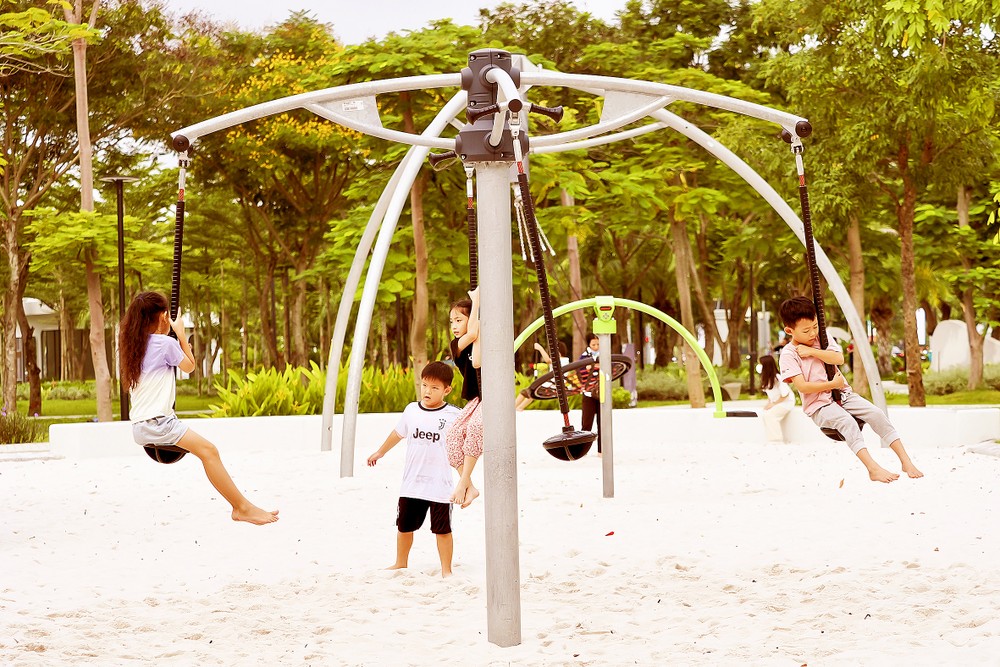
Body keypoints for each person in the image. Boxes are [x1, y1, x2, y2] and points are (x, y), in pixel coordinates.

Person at [119, 292, 278, 524]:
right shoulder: (166, 343)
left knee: (207, 451)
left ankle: (243, 507)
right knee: (209, 452)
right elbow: (190, 366)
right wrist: (181, 335)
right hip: (159, 424)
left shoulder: (134, 346)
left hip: (141, 427)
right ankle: (241, 508)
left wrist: (177, 340)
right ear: (164, 317)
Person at [778, 296, 923, 483]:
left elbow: (838, 359)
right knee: (847, 422)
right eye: (806, 330)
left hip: (843, 394)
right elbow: (803, 387)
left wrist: (813, 351)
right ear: (789, 330)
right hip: (819, 406)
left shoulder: (821, 338)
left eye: (815, 326)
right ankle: (873, 469)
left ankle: (906, 461)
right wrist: (831, 385)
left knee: (876, 413)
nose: (813, 333)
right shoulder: (789, 355)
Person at [367, 362, 461, 577]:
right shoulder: (411, 410)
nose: (427, 391)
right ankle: (401, 562)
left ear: (447, 390)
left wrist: (465, 480)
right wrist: (380, 452)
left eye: (434, 388)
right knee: (404, 526)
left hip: (440, 486)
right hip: (412, 484)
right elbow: (398, 433)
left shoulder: (454, 415)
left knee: (443, 530)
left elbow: (462, 445)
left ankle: (446, 570)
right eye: (425, 385)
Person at [446, 289, 482, 508]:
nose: (454, 326)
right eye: (452, 322)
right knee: (452, 438)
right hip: (476, 400)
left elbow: (477, 361)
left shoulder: (483, 336)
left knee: (475, 428)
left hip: (490, 399)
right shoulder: (455, 345)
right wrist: (475, 301)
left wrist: (476, 303)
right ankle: (468, 484)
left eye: (459, 320)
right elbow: (473, 333)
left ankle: (462, 484)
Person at [760, 354, 795, 443]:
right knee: (765, 414)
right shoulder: (766, 379)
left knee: (770, 415)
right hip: (778, 403)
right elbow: (770, 395)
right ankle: (772, 439)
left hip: (786, 403)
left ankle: (777, 440)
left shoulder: (778, 378)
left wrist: (773, 404)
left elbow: (785, 395)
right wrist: (769, 404)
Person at [579, 333, 602, 453]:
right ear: (589, 344)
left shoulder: (604, 355)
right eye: (593, 344)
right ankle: (584, 450)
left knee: (602, 423)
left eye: (598, 344)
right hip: (588, 393)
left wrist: (593, 367)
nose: (596, 346)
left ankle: (601, 450)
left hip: (602, 394)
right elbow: (581, 370)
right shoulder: (583, 357)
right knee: (587, 423)